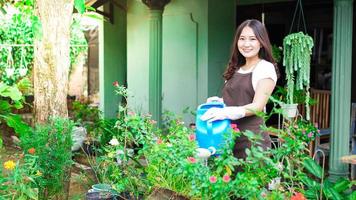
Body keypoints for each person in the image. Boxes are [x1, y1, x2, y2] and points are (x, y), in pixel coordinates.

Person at [201, 19, 279, 159]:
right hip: (227, 138)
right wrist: (220, 102)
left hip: (252, 143)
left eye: (252, 39)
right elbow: (236, 99)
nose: (246, 44)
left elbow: (258, 106)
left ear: (261, 42)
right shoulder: (236, 68)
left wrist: (227, 112)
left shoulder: (265, 68)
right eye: (242, 39)